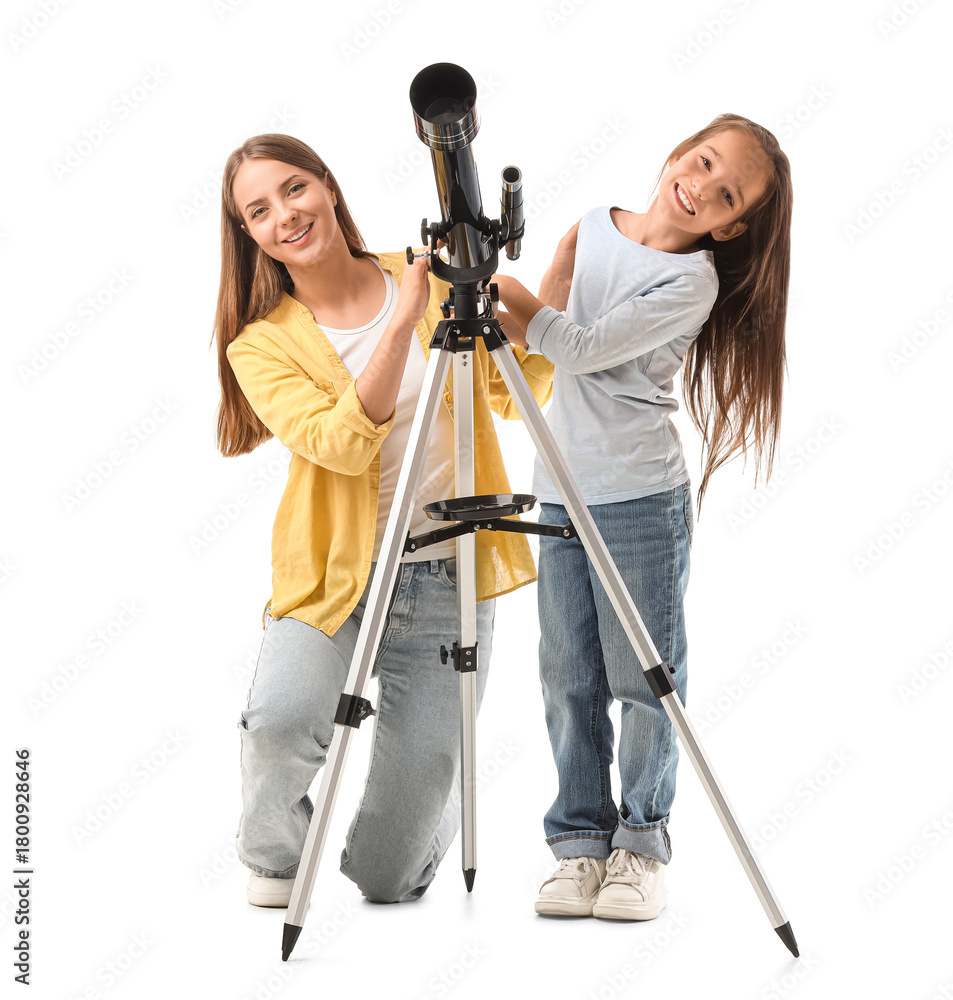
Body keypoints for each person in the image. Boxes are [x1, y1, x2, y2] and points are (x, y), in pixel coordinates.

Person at [212, 133, 553, 907]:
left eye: (294, 190)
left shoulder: (428, 276)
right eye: (258, 211)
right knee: (278, 721)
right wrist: (402, 322)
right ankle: (275, 858)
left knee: (389, 880)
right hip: (336, 572)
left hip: (446, 572)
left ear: (328, 187)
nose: (284, 216)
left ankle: (427, 801)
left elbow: (516, 391)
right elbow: (334, 444)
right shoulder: (260, 344)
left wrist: (537, 308)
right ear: (249, 235)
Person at [492, 114, 793, 920]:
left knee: (642, 678)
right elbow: (535, 338)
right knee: (568, 675)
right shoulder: (592, 226)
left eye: (724, 192)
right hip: (557, 485)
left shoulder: (692, 280)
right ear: (674, 153)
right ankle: (579, 846)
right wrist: (490, 304)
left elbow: (577, 344)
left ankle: (641, 844)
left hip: (635, 498)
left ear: (729, 224)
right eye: (701, 161)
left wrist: (508, 298)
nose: (700, 184)